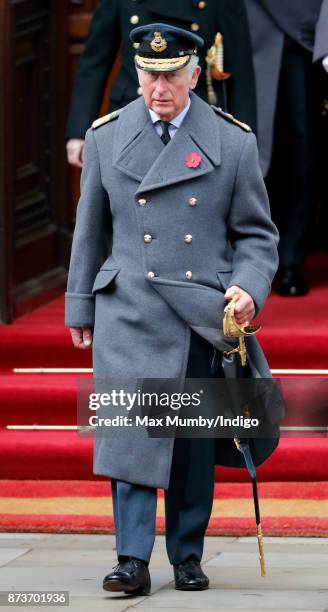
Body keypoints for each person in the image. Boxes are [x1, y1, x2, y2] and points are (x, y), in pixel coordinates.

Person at [65, 23, 279, 595]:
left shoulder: (232, 141)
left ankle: (187, 553)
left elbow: (258, 236)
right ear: (136, 76)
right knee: (129, 434)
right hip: (126, 304)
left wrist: (248, 287)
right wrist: (79, 305)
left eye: (170, 75)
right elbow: (90, 231)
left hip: (197, 311)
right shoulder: (107, 137)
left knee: (189, 444)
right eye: (148, 75)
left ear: (194, 74)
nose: (159, 87)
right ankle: (130, 559)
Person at [65, 0, 257, 168]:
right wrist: (79, 131)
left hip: (198, 116)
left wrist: (245, 141)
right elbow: (95, 60)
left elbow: (240, 69)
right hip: (131, 114)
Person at [244, 0, 328, 296]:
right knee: (246, 148)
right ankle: (248, 261)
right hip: (243, 30)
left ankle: (291, 259)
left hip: (305, 36)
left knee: (299, 148)